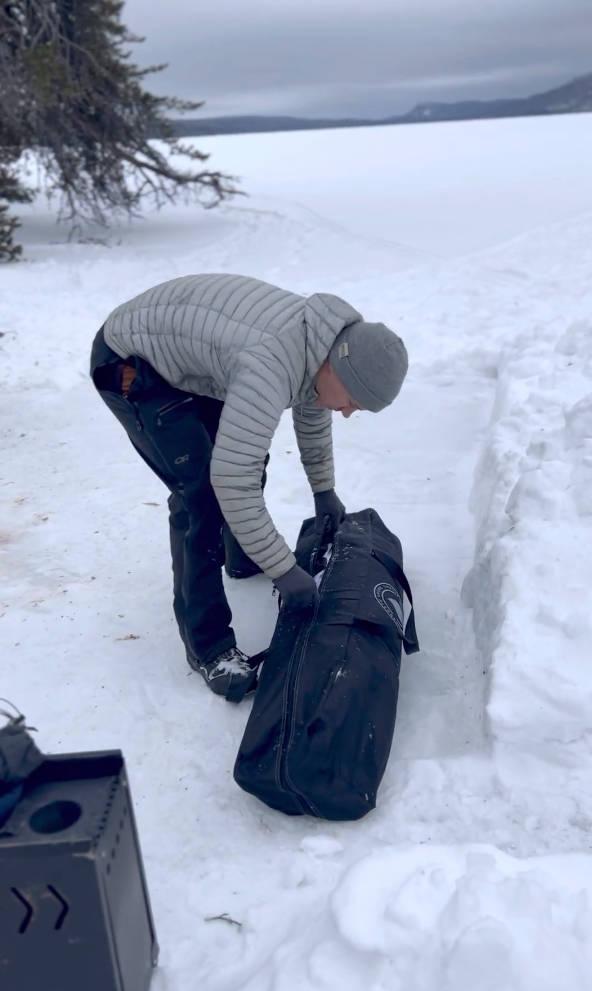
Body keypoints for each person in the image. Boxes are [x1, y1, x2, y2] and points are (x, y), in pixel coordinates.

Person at [90, 273, 408, 698]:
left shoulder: (321, 346)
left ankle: (242, 557)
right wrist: (284, 570)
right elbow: (230, 480)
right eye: (353, 402)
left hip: (194, 357)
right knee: (200, 494)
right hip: (131, 363)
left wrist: (323, 489)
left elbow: (313, 406)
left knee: (245, 453)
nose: (348, 413)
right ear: (339, 368)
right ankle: (210, 649)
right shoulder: (271, 362)